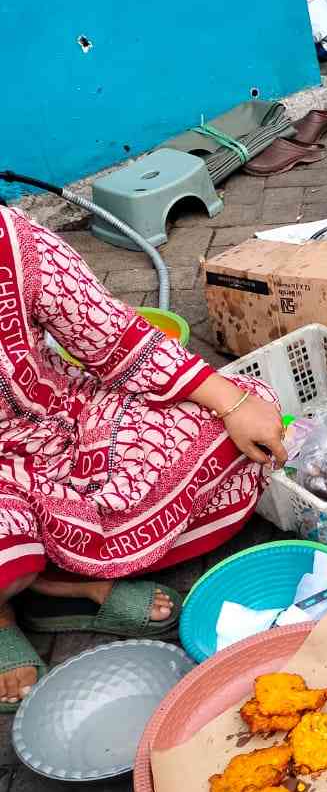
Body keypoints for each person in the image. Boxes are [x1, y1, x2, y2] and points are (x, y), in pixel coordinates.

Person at [0, 205, 285, 708]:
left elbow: (114, 337)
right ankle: (25, 603)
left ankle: (53, 586)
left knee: (233, 419)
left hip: (65, 422)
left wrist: (233, 404)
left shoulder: (9, 239)